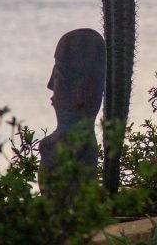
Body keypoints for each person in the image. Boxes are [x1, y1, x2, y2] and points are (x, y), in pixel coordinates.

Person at [38, 28, 106, 199]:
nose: (50, 85)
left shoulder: (76, 144)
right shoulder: (71, 140)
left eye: (57, 76)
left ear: (79, 89)